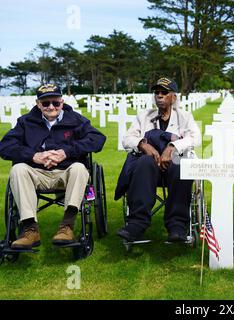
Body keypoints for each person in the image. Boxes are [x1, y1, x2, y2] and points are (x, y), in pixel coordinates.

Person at [0, 84, 106, 249]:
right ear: (38, 104)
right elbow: (5, 146)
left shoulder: (77, 120)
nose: (51, 107)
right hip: (37, 173)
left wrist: (66, 152)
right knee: (18, 169)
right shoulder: (26, 122)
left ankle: (67, 226)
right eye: (46, 103)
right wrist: (34, 156)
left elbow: (97, 139)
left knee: (79, 168)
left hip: (66, 173)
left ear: (62, 103)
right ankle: (30, 229)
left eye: (55, 103)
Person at [115, 77, 201, 243]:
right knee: (144, 162)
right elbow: (127, 139)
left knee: (181, 166)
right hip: (150, 165)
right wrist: (143, 145)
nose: (159, 96)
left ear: (174, 97)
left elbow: (195, 138)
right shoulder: (144, 116)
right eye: (157, 93)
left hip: (174, 164)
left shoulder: (184, 116)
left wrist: (171, 147)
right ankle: (137, 223)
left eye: (164, 92)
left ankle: (177, 225)